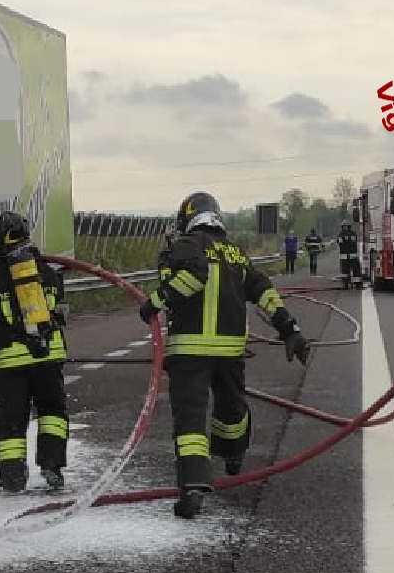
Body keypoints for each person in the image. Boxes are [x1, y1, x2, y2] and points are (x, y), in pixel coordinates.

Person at [139, 191, 311, 519]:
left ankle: (192, 487)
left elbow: (192, 277)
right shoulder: (235, 253)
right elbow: (264, 292)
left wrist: (154, 303)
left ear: (188, 218)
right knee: (231, 410)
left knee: (190, 419)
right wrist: (290, 330)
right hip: (229, 352)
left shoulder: (184, 246)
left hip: (189, 350)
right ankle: (232, 455)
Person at [0, 211, 70, 493]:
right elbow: (58, 304)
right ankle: (52, 466)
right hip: (48, 356)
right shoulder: (47, 273)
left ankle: (13, 478)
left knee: (12, 423)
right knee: (52, 413)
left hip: (12, 362)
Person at [337, 221, 361, 288]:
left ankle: (357, 284)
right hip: (346, 256)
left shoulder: (343, 234)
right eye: (344, 226)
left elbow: (342, 243)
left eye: (346, 226)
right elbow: (341, 243)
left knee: (355, 271)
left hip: (351, 256)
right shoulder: (344, 234)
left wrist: (345, 241)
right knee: (345, 272)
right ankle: (346, 284)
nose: (345, 228)